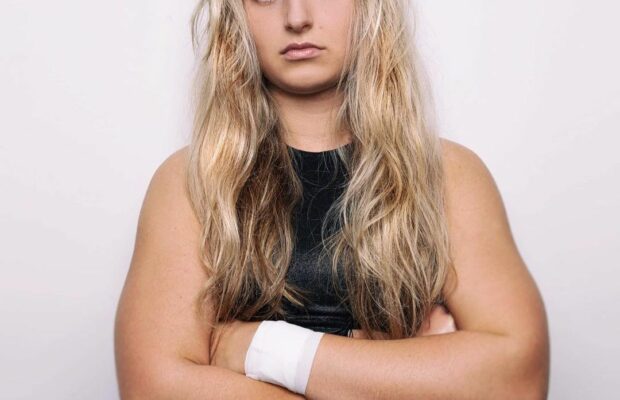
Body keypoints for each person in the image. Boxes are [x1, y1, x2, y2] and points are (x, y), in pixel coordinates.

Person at [114, 0, 550, 399]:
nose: (297, 17)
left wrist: (261, 349)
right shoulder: (192, 182)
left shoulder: (450, 175)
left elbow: (518, 380)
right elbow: (155, 389)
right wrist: (408, 374)